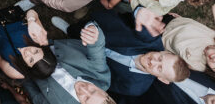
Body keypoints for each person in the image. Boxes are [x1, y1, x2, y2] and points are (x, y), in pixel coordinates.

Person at [55, 9, 190, 100]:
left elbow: (105, 83)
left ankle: (67, 45)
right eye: (160, 58)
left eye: (159, 68)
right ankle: (69, 29)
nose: (153, 61)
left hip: (88, 60)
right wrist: (140, 12)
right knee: (77, 30)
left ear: (162, 79)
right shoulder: (153, 40)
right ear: (164, 51)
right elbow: (140, 19)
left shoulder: (135, 88)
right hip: (99, 31)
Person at [22, 23, 115, 104]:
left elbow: (37, 98)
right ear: (104, 92)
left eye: (86, 99)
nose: (82, 89)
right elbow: (97, 47)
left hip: (27, 68)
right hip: (44, 45)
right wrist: (93, 31)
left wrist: (23, 76)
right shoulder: (101, 76)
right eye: (93, 90)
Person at [0, 7, 57, 81]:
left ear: (28, 68)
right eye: (36, 51)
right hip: (5, 20)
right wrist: (31, 21)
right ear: (42, 48)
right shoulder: (41, 40)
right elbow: (32, 12)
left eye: (31, 60)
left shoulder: (16, 72)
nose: (28, 52)